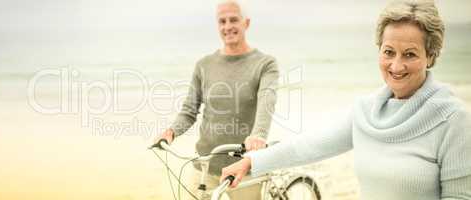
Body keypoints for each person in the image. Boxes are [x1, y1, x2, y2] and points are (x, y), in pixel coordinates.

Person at [220, 0, 471, 199]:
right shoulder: (367, 111)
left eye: (410, 54)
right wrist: (252, 161)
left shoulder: (453, 119)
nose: (396, 65)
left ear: (431, 55)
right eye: (388, 52)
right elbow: (310, 145)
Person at [153, 0, 279, 199]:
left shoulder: (265, 64)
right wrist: (170, 132)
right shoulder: (204, 65)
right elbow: (189, 110)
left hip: (244, 166)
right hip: (205, 164)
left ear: (246, 23)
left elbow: (267, 99)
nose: (227, 26)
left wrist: (259, 135)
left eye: (233, 20)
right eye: (222, 21)